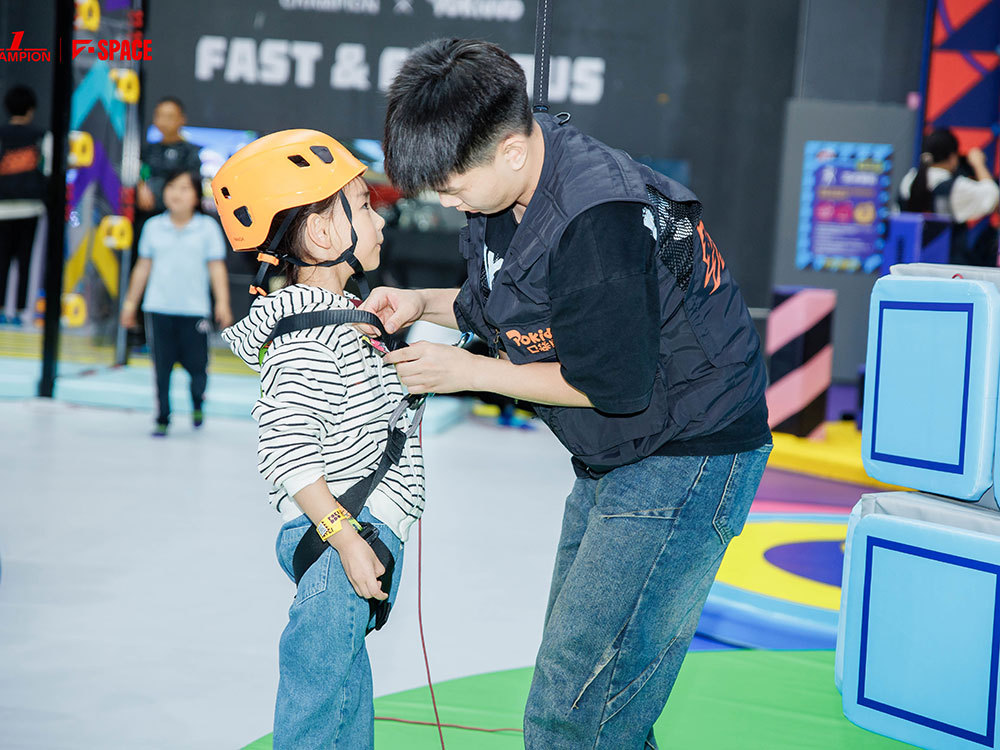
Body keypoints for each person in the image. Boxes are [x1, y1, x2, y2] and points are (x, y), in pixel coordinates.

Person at [366, 39, 772, 749]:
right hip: (621, 450)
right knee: (594, 686)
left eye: (452, 183)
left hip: (688, 451)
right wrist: (419, 301)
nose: (444, 198)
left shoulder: (597, 219)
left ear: (513, 152)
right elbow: (511, 302)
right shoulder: (508, 185)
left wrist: (466, 372)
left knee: (576, 700)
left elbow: (613, 383)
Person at [216, 130, 425, 749]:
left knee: (344, 686)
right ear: (322, 235)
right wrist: (348, 541)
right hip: (344, 533)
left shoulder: (342, 322)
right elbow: (285, 448)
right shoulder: (309, 341)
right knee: (318, 684)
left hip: (352, 529)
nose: (380, 219)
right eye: (363, 206)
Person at [120, 169, 232, 436]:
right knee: (161, 368)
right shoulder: (152, 227)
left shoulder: (208, 228)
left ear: (196, 196)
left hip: (195, 311)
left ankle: (197, 404)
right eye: (171, 186)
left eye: (184, 188)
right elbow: (143, 267)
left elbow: (216, 268)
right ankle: (162, 417)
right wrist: (130, 304)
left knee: (197, 368)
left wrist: (223, 303)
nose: (176, 193)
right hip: (158, 308)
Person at [899, 128, 1000, 266]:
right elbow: (993, 196)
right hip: (947, 267)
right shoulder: (956, 187)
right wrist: (978, 164)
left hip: (910, 263)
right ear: (952, 158)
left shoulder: (908, 181)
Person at [0, 84, 50, 325]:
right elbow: (50, 169)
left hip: (4, 207)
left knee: (1, 259)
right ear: (31, 109)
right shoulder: (41, 136)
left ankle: (2, 310)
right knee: (25, 260)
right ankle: (20, 311)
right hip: (30, 206)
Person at [137, 96, 203, 214]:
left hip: (180, 213)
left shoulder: (190, 152)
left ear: (182, 119)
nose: (163, 121)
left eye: (170, 116)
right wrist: (141, 186)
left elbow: (193, 183)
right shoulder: (148, 150)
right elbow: (143, 173)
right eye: (159, 115)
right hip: (149, 211)